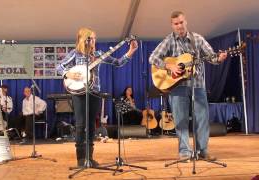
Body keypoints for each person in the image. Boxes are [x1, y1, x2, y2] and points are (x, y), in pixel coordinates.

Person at [149, 11, 227, 162]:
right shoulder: (169, 40)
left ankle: (202, 150)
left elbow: (212, 57)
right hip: (177, 87)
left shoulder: (197, 39)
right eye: (176, 24)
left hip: (197, 85)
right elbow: (153, 58)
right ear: (172, 25)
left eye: (181, 22)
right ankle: (185, 152)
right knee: (180, 120)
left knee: (202, 119)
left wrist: (220, 58)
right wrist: (169, 66)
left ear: (186, 22)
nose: (179, 26)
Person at [56, 27, 138, 167]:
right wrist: (68, 74)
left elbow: (117, 62)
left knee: (92, 126)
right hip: (79, 94)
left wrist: (130, 51)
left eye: (94, 38)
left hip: (95, 93)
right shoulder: (75, 54)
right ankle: (81, 159)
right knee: (81, 125)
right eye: (91, 38)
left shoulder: (99, 54)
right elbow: (59, 67)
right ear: (83, 39)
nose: (94, 41)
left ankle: (90, 157)